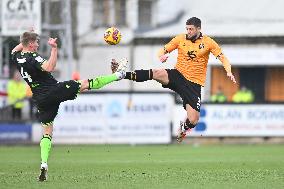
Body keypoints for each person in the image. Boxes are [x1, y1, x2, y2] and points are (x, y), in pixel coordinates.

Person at [11, 30, 128, 181]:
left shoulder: (17, 56)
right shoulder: (32, 58)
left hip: (40, 99)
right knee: (86, 84)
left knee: (47, 132)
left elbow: (18, 47)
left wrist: (28, 36)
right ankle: (118, 75)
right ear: (31, 44)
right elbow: (49, 67)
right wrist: (54, 48)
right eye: (36, 42)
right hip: (53, 91)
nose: (38, 45)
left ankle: (44, 163)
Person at [112, 17, 236, 143]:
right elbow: (162, 50)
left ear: (199, 29)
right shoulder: (180, 39)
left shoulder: (209, 42)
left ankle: (184, 128)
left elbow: (223, 58)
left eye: (191, 29)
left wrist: (229, 71)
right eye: (187, 29)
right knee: (157, 73)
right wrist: (162, 56)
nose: (188, 31)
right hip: (178, 75)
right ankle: (122, 74)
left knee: (193, 119)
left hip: (194, 84)